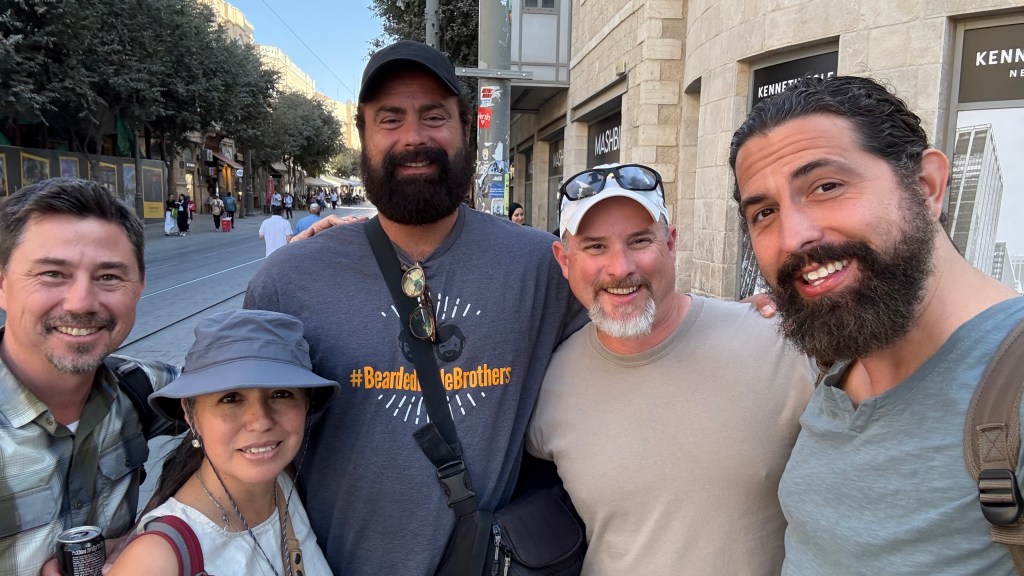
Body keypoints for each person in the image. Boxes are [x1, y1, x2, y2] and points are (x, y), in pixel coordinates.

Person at [244, 39, 586, 575]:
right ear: (362, 134)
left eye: (433, 116)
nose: (413, 138)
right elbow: (233, 438)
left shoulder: (543, 268)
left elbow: (630, 336)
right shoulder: (289, 281)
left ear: (465, 129)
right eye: (390, 119)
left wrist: (743, 316)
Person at [729, 75, 1024, 575]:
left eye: (826, 186)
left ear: (926, 185)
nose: (794, 236)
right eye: (764, 212)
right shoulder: (839, 365)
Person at [526, 163, 813, 575]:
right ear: (563, 259)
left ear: (671, 243)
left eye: (640, 240)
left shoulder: (776, 343)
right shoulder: (548, 382)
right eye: (595, 247)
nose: (621, 267)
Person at [0, 177, 179, 576]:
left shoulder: (140, 390)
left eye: (109, 277)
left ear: (139, 288)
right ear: (2, 283)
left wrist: (151, 532)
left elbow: (248, 405)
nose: (81, 302)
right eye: (52, 274)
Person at [108, 309, 338, 576]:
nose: (260, 421)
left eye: (281, 393)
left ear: (306, 404)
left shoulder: (286, 483)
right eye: (231, 398)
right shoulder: (157, 559)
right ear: (190, 414)